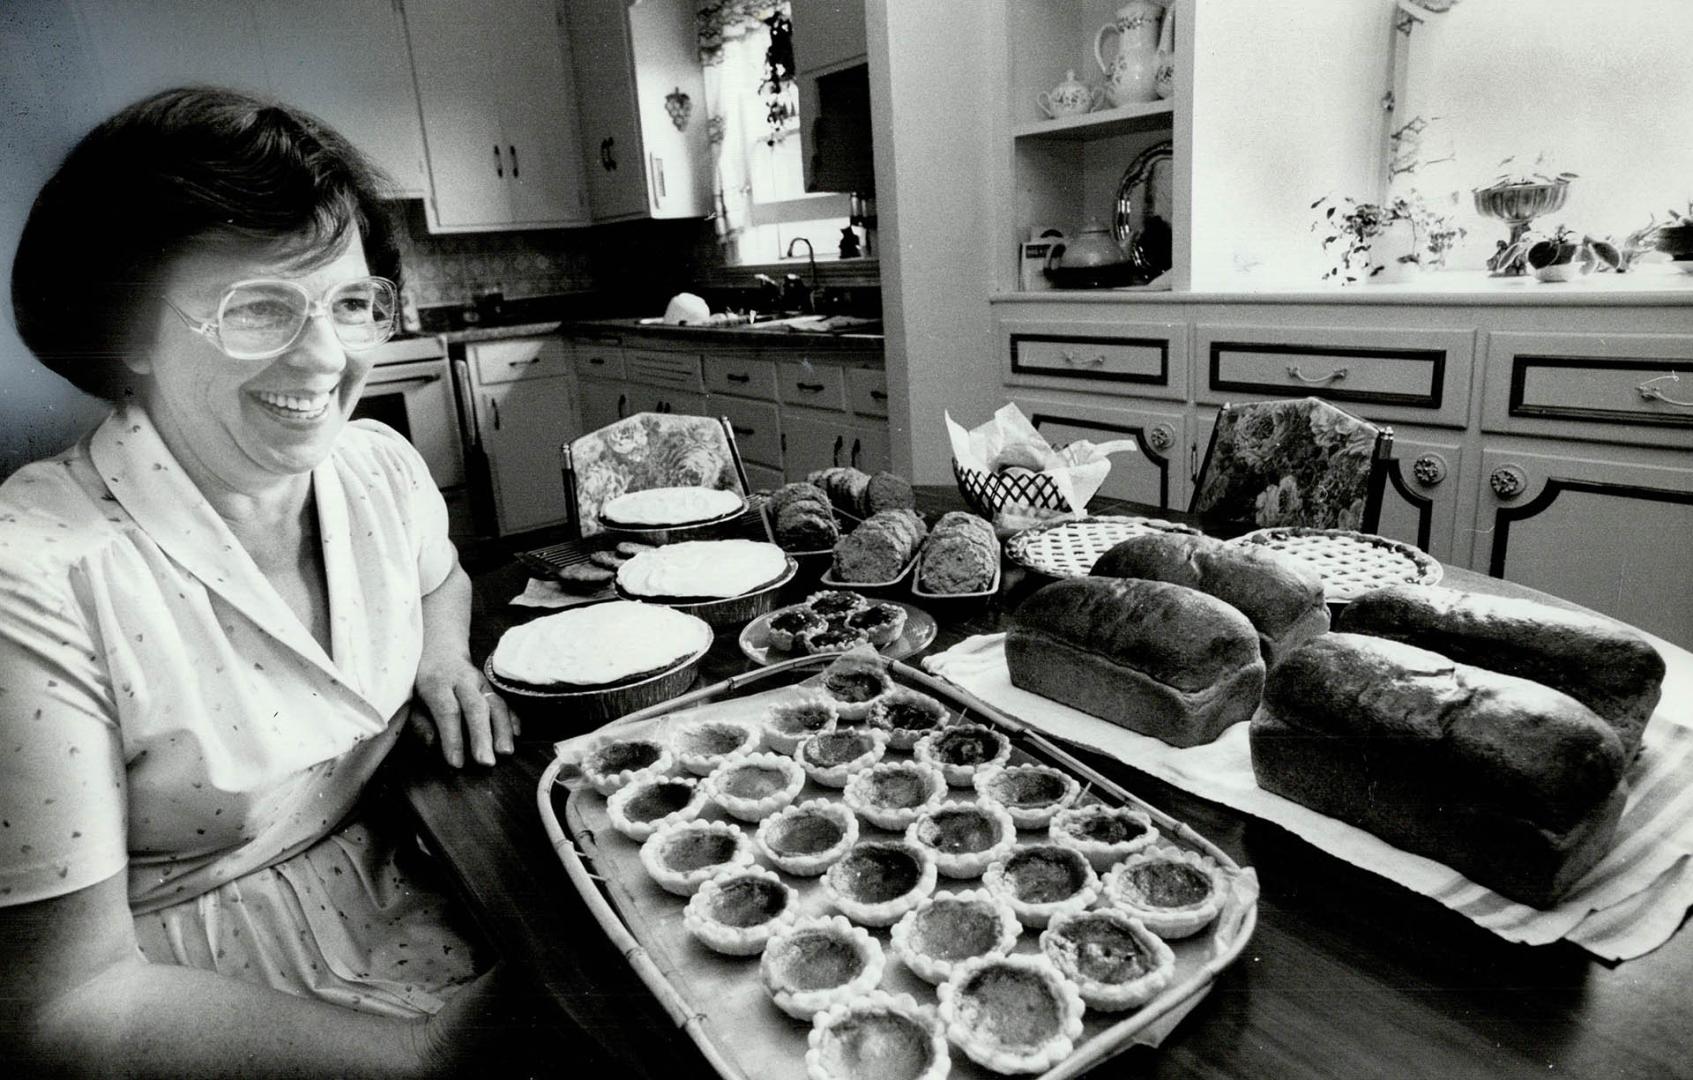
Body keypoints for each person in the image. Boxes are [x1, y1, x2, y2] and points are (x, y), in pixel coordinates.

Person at [0, 87, 530, 1075]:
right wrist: (422, 1059)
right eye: (256, 309)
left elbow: (439, 578)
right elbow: (63, 1007)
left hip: (413, 876)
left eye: (350, 303)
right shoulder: (33, 580)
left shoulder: (378, 469)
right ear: (126, 333)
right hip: (189, 1004)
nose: (327, 358)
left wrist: (445, 659)